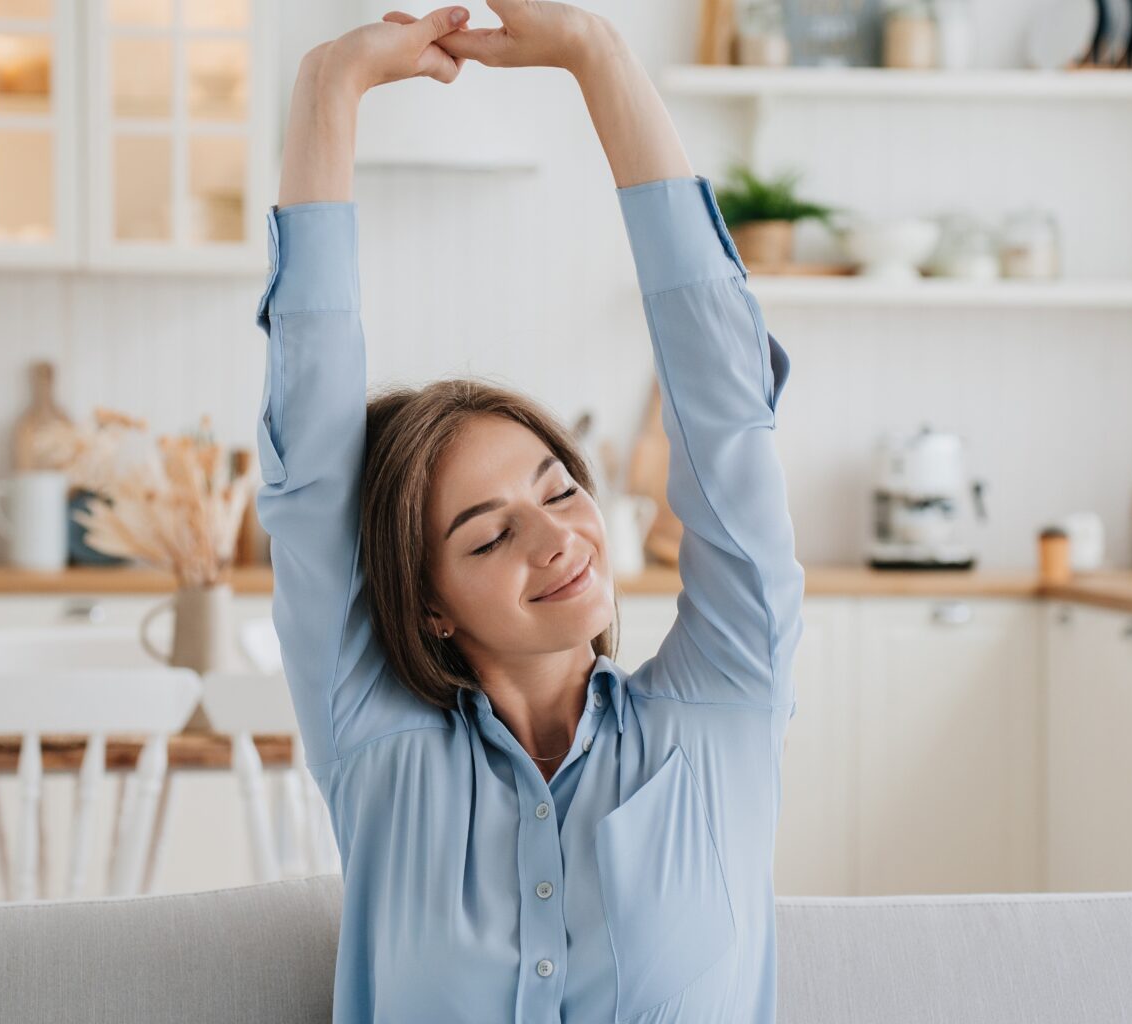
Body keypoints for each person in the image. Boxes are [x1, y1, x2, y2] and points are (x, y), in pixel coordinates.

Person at [253, 2, 804, 1019]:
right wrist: (327, 90)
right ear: (430, 606)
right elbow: (314, 468)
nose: (558, 537)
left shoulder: (727, 698)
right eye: (491, 531)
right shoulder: (380, 750)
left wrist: (602, 60)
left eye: (559, 489)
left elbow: (726, 414)